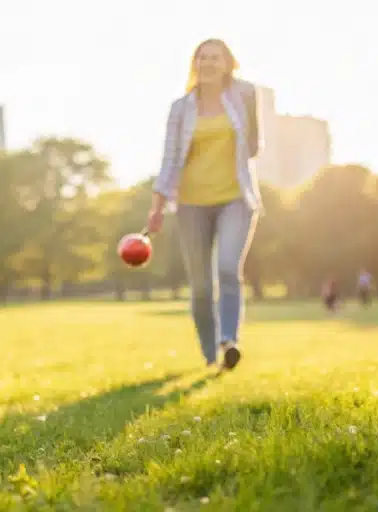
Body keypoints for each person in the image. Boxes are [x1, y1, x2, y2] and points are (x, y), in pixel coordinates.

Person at [147, 38, 262, 371]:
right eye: (202, 58)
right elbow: (169, 160)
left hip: (236, 198)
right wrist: (156, 207)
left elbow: (255, 145)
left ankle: (229, 341)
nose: (209, 63)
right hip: (191, 204)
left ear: (228, 63)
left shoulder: (244, 95)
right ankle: (210, 354)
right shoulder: (181, 108)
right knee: (199, 286)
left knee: (227, 267)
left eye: (216, 58)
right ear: (194, 64)